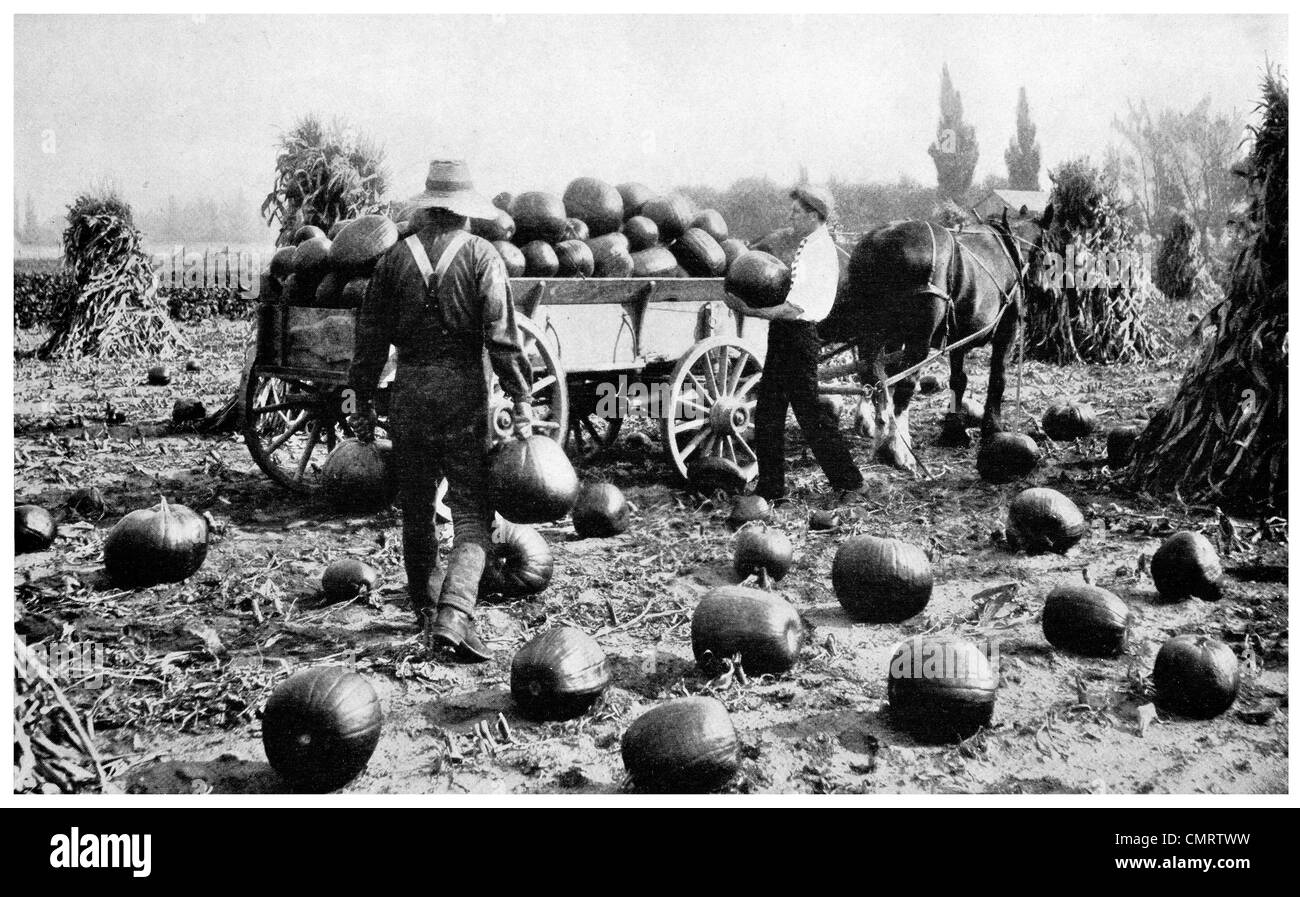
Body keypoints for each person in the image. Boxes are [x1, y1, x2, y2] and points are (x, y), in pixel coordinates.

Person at [348, 160, 532, 662]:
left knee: (416, 507)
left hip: (409, 394)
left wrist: (362, 402)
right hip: (463, 394)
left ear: (428, 207)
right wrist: (521, 400)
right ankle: (454, 615)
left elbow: (368, 344)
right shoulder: (481, 256)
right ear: (466, 213)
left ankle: (425, 611)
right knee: (472, 511)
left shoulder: (391, 261)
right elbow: (502, 340)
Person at [724, 184, 864, 501]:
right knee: (769, 414)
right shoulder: (809, 244)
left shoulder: (819, 251)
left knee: (810, 414)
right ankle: (771, 489)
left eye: (796, 212)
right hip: (785, 334)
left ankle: (850, 482)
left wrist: (749, 310)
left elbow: (794, 308)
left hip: (798, 336)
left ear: (814, 215)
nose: (791, 216)